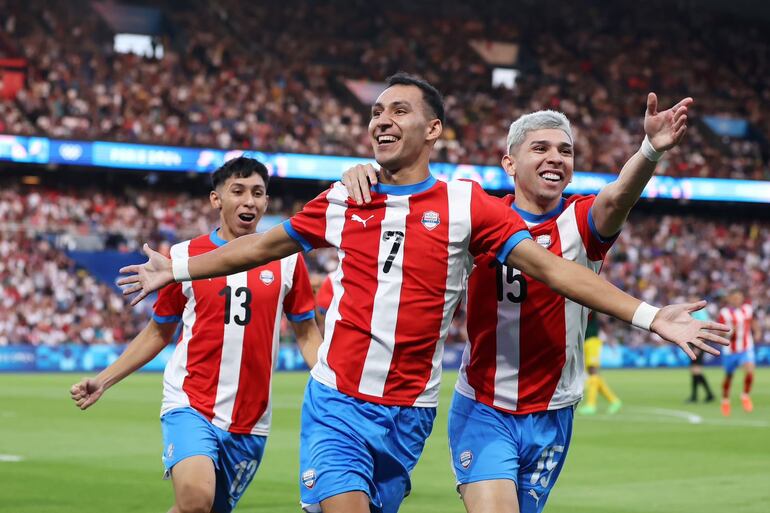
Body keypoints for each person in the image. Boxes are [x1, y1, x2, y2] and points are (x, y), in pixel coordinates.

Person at [118, 73, 728, 513]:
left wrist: (650, 317)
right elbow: (261, 245)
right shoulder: (343, 197)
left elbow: (554, 269)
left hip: (410, 412)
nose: (381, 119)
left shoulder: (467, 206)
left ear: (432, 129)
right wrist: (177, 268)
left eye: (398, 110)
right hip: (339, 400)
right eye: (376, 111)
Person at [342, 92, 700, 512]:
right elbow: (415, 200)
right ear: (509, 163)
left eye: (565, 151)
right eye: (541, 148)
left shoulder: (581, 221)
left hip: (553, 411)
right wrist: (368, 171)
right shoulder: (475, 219)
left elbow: (619, 195)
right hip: (485, 407)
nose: (555, 158)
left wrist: (650, 150)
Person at [70, 157, 322, 513]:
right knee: (195, 503)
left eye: (258, 193)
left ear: (266, 203)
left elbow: (307, 333)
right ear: (216, 200)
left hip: (250, 420)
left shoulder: (287, 259)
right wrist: (104, 380)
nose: (249, 201)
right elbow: (158, 332)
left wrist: (333, 388)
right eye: (238, 191)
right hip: (191, 404)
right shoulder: (183, 257)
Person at [718, 289, 759, 416]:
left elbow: (753, 322)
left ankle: (745, 395)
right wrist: (730, 331)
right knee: (729, 376)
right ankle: (725, 400)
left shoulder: (747, 309)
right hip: (730, 350)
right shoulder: (724, 313)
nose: (737, 300)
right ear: (730, 299)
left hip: (746, 348)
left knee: (750, 370)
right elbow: (720, 332)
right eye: (734, 298)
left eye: (739, 297)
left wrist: (757, 332)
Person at [578, 315, 622, 415]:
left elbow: (603, 319)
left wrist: (610, 338)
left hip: (593, 341)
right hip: (586, 341)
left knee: (593, 372)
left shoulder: (589, 306)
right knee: (593, 375)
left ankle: (591, 405)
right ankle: (614, 400)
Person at [687, 294, 715, 403]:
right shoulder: (694, 312)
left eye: (692, 299)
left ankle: (698, 396)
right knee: (694, 371)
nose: (690, 300)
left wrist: (698, 345)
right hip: (695, 342)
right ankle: (704, 395)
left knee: (696, 370)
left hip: (698, 343)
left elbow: (704, 329)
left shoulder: (700, 312)